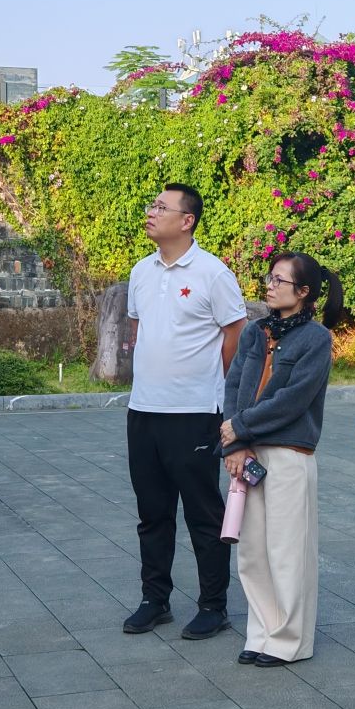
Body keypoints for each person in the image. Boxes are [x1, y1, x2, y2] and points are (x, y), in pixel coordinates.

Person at [122, 183, 248, 640]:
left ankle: (213, 605)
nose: (151, 211)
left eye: (162, 207)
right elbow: (138, 329)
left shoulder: (213, 273)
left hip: (194, 412)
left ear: (187, 220)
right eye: (152, 204)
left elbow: (235, 332)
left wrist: (222, 395)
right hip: (143, 410)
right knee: (152, 512)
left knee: (203, 514)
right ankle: (154, 600)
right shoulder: (141, 271)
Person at [221, 253, 340, 667]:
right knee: (252, 551)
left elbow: (294, 399)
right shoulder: (256, 332)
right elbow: (233, 385)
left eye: (279, 280)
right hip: (248, 451)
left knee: (288, 551)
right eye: (269, 278)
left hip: (289, 454)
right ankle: (261, 633)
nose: (269, 286)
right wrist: (234, 444)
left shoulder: (317, 339)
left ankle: (289, 640)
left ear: (303, 292)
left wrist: (240, 427)